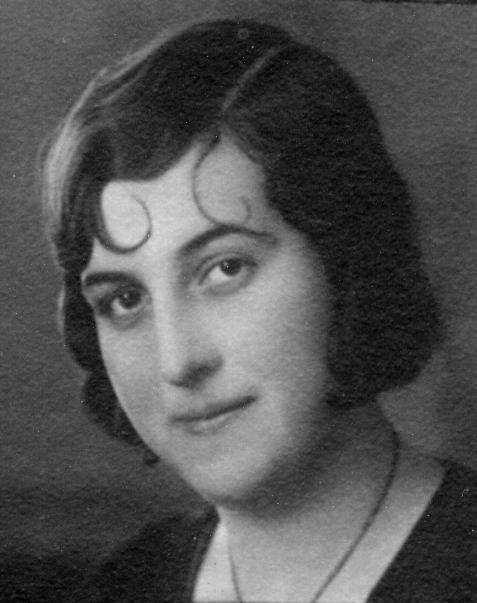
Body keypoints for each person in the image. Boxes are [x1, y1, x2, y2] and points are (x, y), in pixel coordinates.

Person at [42, 18, 477, 603]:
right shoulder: (130, 584)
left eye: (225, 268)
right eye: (125, 299)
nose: (178, 362)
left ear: (346, 256)